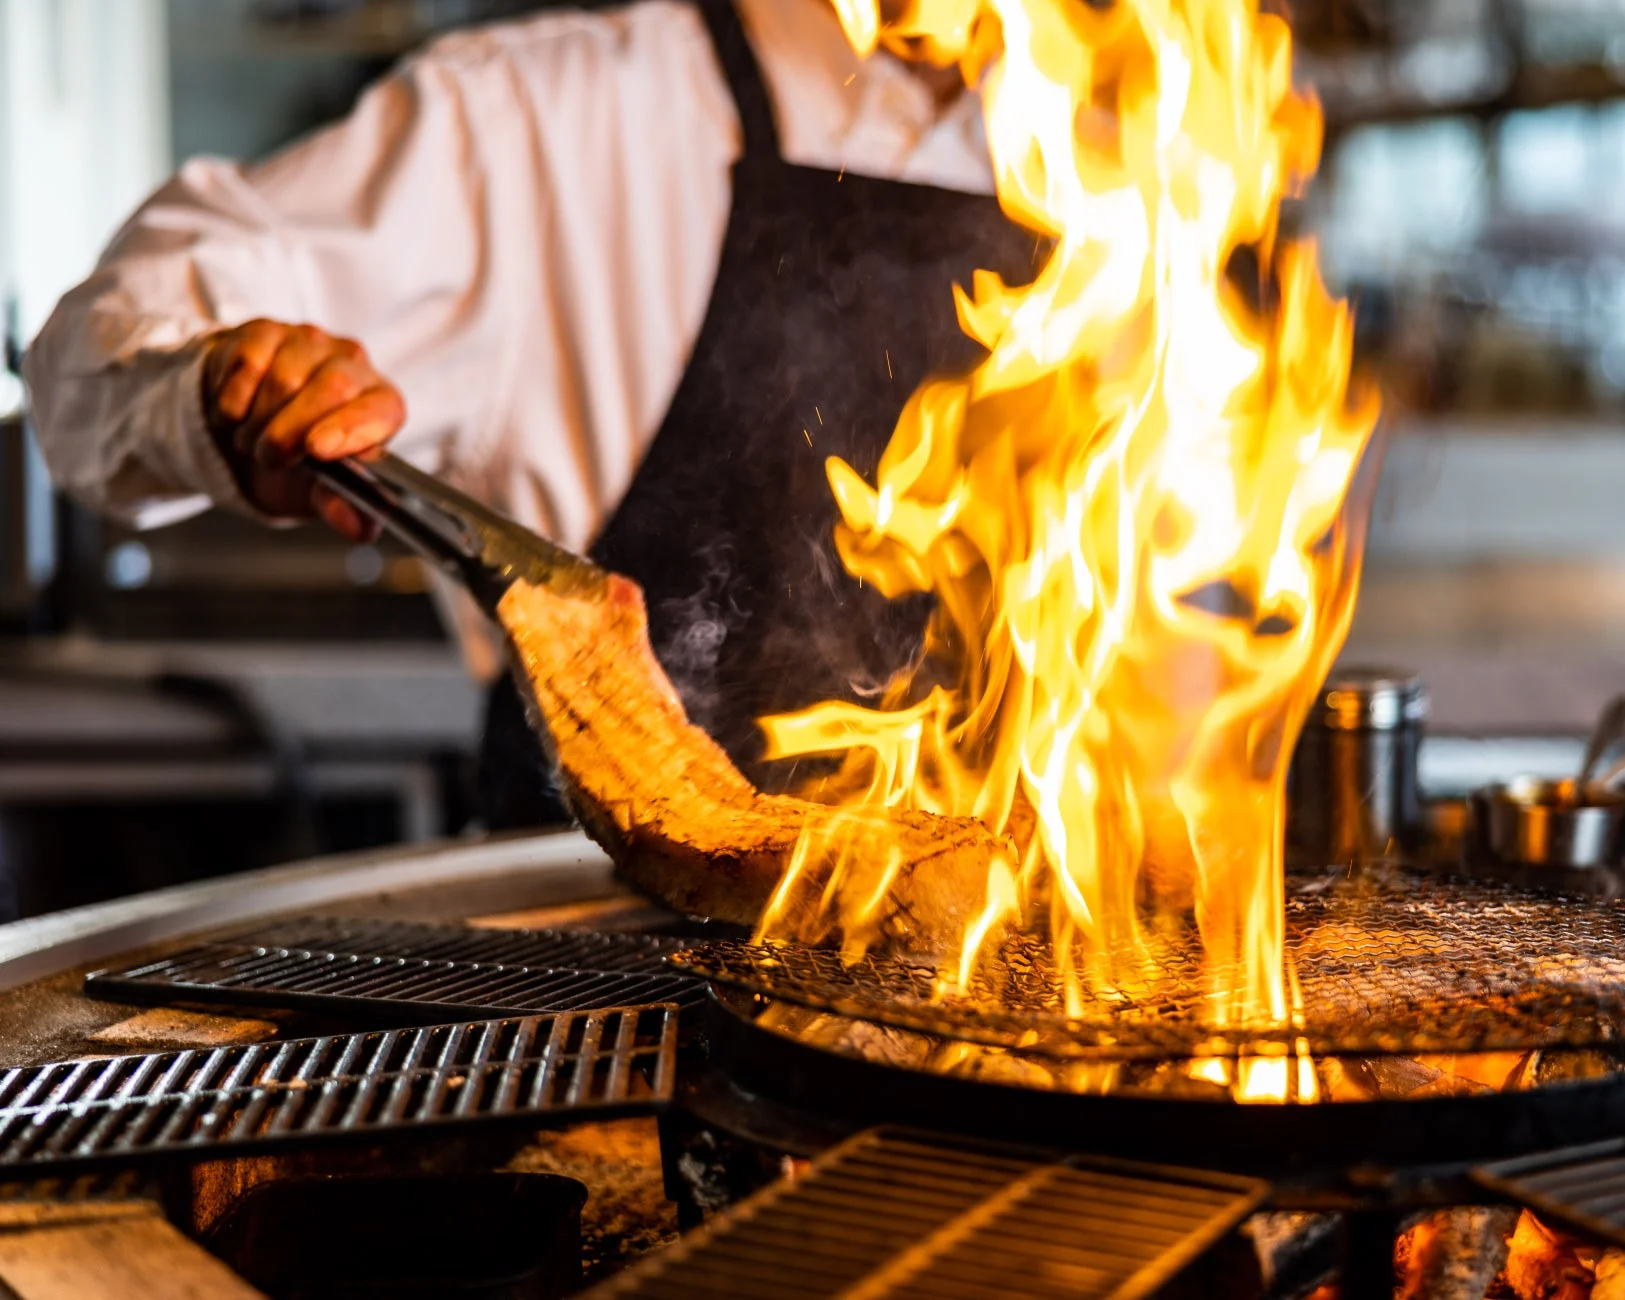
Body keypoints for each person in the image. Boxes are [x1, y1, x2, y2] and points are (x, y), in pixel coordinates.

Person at [25, 0, 1033, 827]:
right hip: (596, 1014)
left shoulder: (1139, 164)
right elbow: (88, 361)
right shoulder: (552, 123)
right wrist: (224, 382)